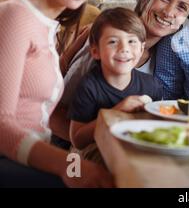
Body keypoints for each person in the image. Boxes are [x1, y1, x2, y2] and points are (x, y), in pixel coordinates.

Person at [0, 0, 113, 187]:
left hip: (27, 155)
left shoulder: (47, 23)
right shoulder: (16, 16)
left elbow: (37, 109)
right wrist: (72, 166)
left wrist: (84, 150)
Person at [49, 0, 189, 146]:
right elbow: (54, 112)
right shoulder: (108, 44)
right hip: (74, 149)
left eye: (182, 7)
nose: (169, 12)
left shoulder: (166, 57)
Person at [69, 8, 163, 151]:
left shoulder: (152, 86)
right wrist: (115, 112)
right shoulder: (89, 87)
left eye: (131, 41)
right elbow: (77, 140)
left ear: (141, 49)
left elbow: (158, 125)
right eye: (113, 41)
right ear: (95, 51)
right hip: (96, 150)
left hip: (138, 148)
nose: (124, 49)